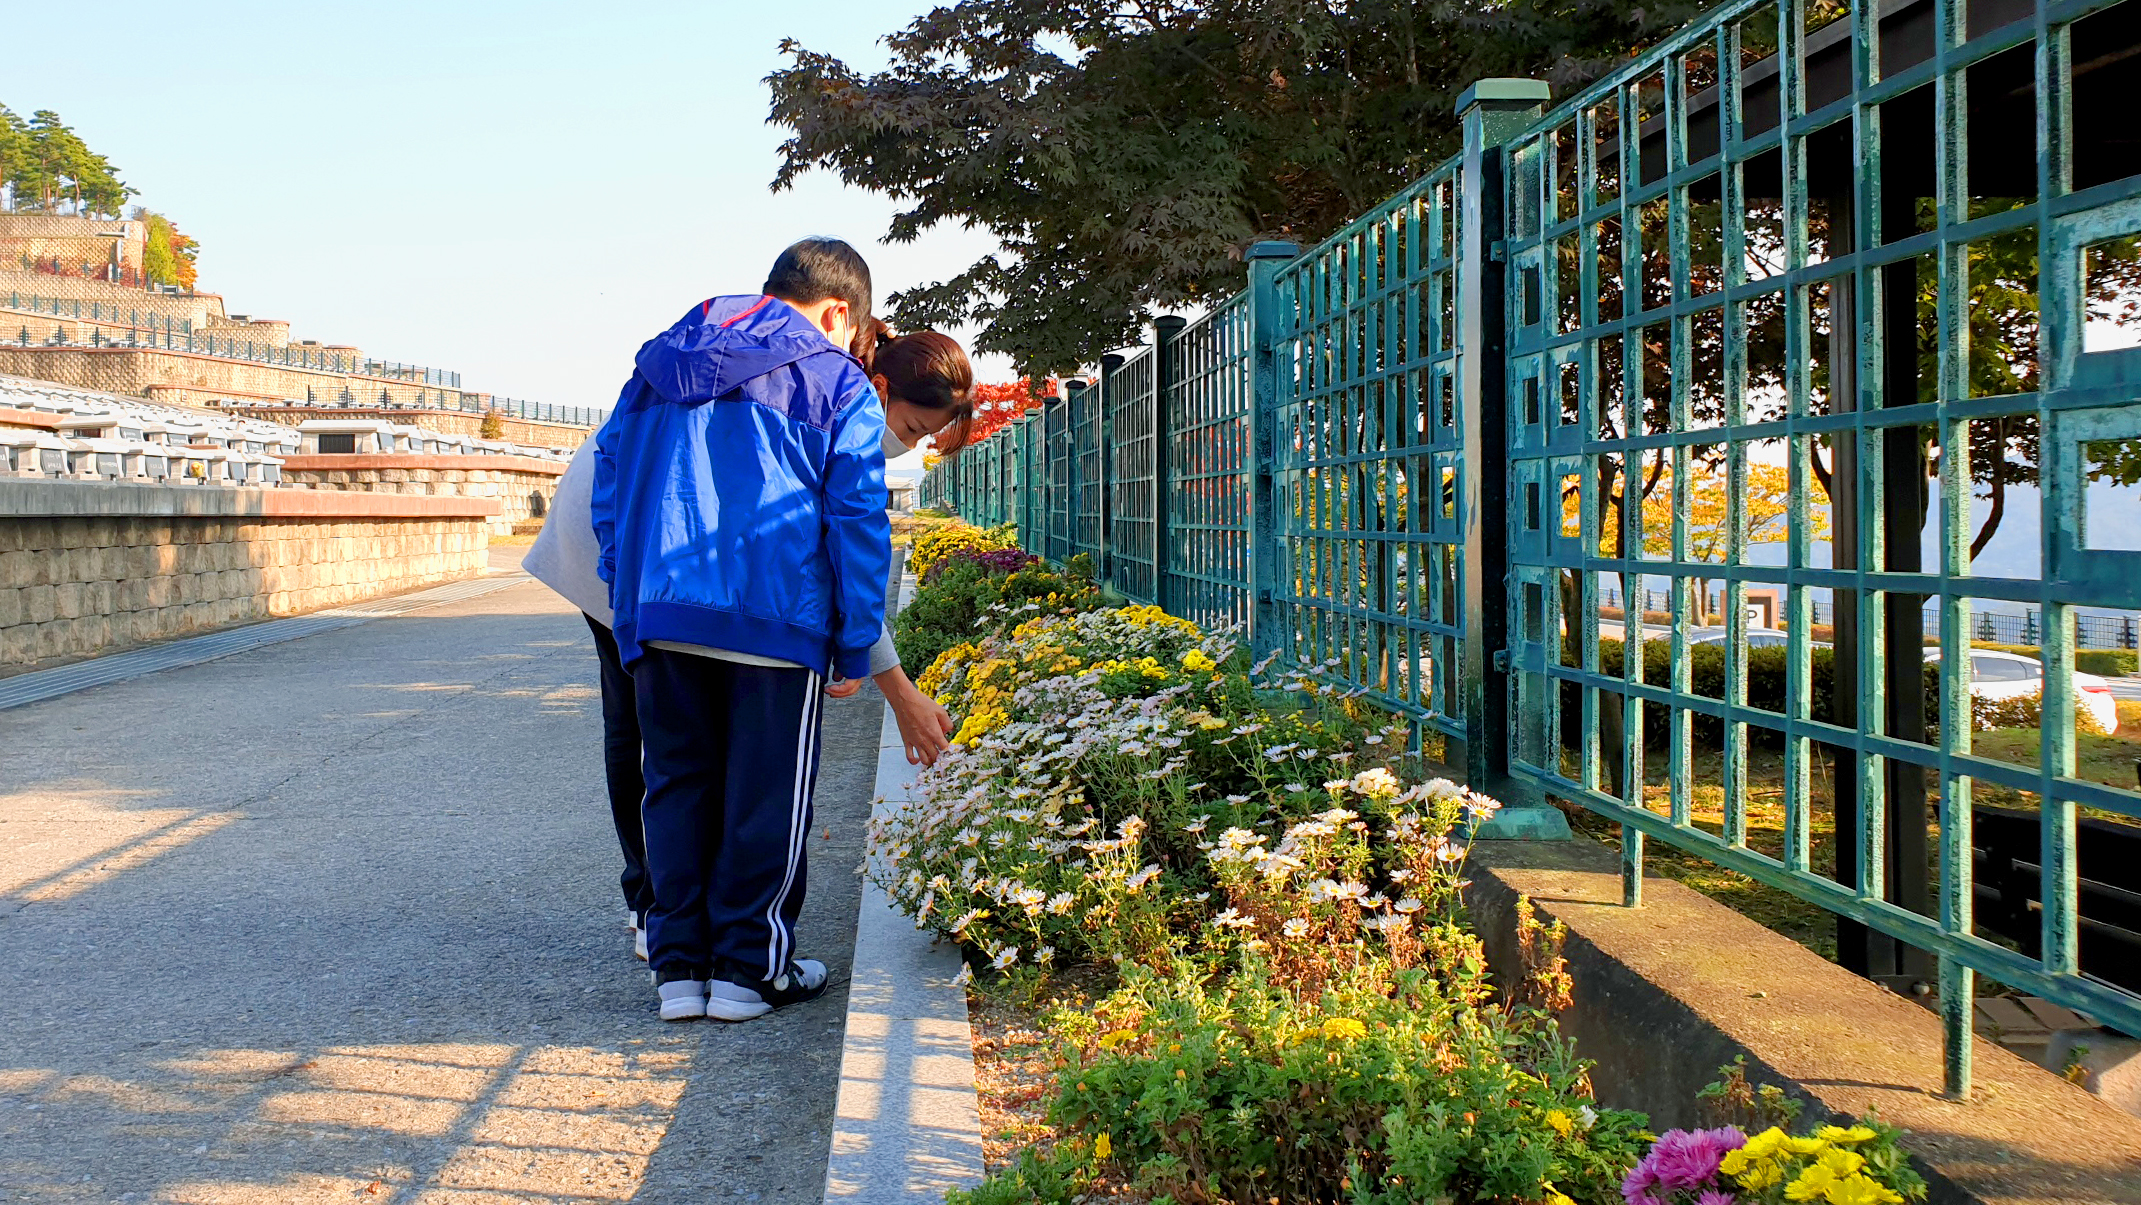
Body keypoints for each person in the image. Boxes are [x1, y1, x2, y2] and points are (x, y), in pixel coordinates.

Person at [592, 237, 965, 1023]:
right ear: (836, 312)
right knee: (766, 795)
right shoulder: (834, 381)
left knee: (676, 784)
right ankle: (749, 970)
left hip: (661, 610)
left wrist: (630, 598)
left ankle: (678, 972)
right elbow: (856, 522)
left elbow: (610, 483)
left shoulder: (657, 363)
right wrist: (852, 638)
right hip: (776, 617)